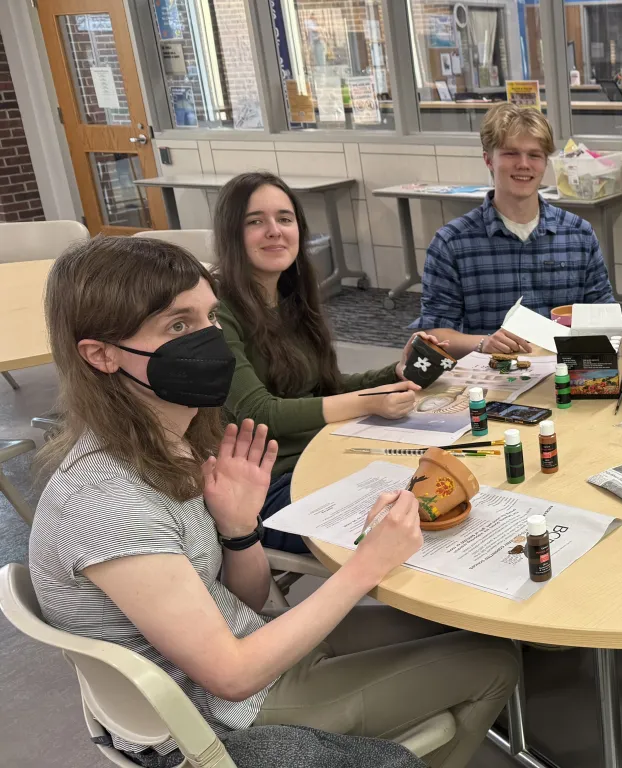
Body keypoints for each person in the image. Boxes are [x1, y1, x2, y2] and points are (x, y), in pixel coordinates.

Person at [28, 236, 518, 768]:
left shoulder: (171, 442)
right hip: (213, 717)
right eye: (177, 326)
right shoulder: (105, 501)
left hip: (234, 655)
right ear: (101, 355)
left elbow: (245, 598)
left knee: (459, 627)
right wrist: (365, 565)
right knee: (493, 660)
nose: (211, 340)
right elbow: (232, 676)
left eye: (210, 317)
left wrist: (239, 531)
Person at [213, 172, 436, 553]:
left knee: (436, 490)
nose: (274, 231)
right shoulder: (216, 308)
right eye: (255, 222)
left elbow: (322, 390)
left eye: (285, 219)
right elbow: (259, 412)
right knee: (413, 520)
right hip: (266, 485)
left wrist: (392, 374)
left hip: (321, 454)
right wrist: (369, 401)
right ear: (232, 233)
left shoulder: (289, 296)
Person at [412, 103, 616, 355]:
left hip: (565, 374)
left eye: (534, 155)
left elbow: (605, 316)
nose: (523, 164)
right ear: (488, 159)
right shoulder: (452, 244)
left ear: (545, 163)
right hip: (489, 380)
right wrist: (483, 343)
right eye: (510, 153)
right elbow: (435, 333)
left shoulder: (579, 235)